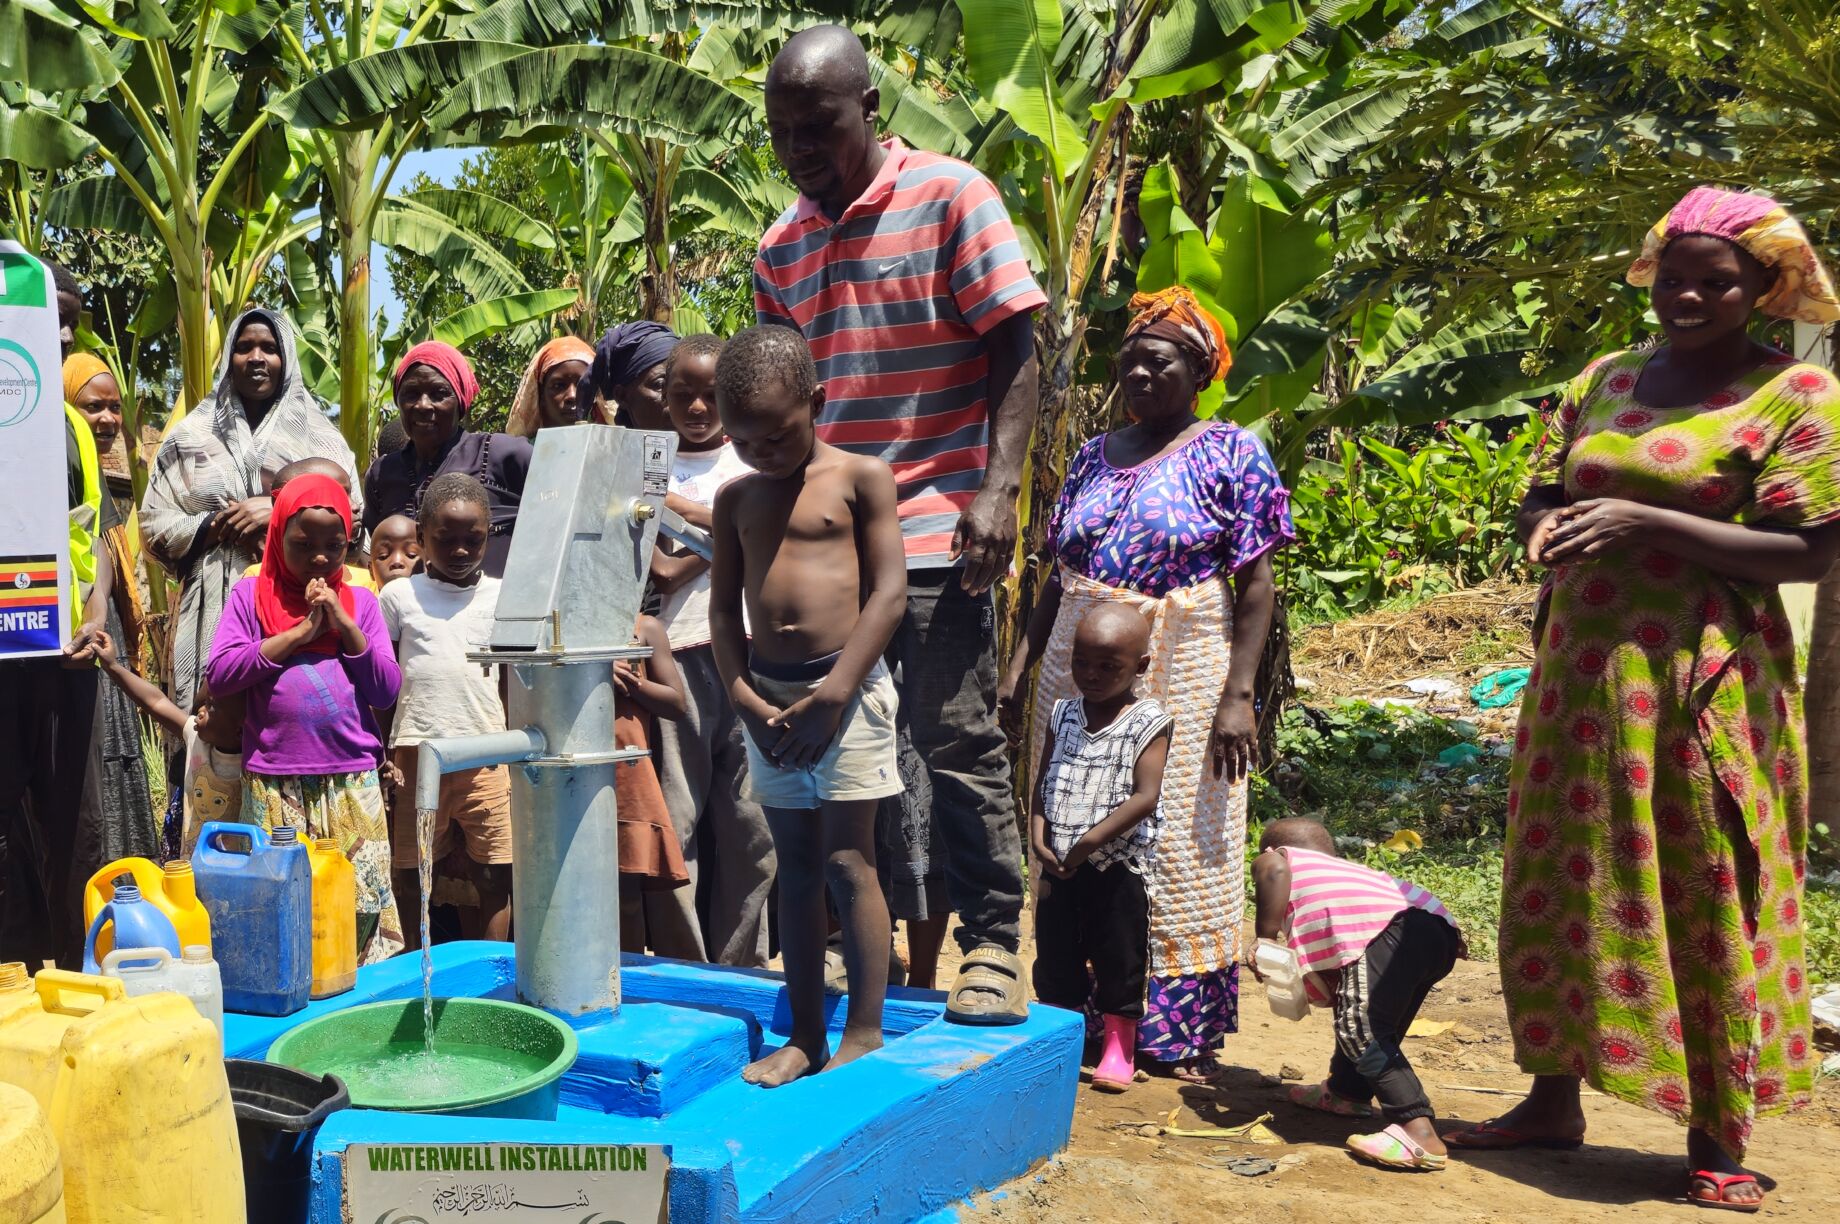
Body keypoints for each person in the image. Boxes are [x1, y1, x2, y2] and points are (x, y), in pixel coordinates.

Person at [1443, 187, 1840, 1212]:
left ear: (1763, 286)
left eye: (1717, 280)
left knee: (1706, 878)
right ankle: (1549, 1097)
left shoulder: (1792, 391)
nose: (1689, 295)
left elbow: (1810, 550)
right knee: (1561, 873)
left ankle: (1717, 1133)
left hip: (1698, 684)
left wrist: (1643, 526)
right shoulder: (1604, 377)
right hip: (1580, 678)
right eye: (1675, 276)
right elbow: (1545, 489)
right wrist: (1542, 525)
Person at [756, 26, 1046, 1023]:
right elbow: (787, 409)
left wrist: (999, 489)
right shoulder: (778, 247)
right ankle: (857, 950)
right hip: (832, 544)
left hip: (937, 530)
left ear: (870, 111)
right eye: (781, 132)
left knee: (954, 738)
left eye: (819, 126)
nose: (799, 149)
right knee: (838, 751)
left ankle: (996, 948)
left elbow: (1017, 341)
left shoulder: (952, 195)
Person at [1001, 287, 1292, 1082]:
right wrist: (1021, 668)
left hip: (1186, 661)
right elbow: (1055, 578)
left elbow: (1257, 582)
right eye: (1128, 357)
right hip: (1076, 660)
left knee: (1179, 839)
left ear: (1198, 370)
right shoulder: (1096, 454)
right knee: (1070, 818)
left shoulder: (1232, 449)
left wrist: (1239, 694)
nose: (1135, 370)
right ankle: (1076, 1013)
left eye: (1156, 358)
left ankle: (1165, 1027)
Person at [708, 325, 907, 1085]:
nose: (762, 452)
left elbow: (889, 593)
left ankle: (862, 1030)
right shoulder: (735, 499)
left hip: (844, 691)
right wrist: (742, 696)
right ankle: (804, 1036)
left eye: (778, 434)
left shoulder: (860, 478)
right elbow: (726, 613)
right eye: (746, 441)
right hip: (770, 699)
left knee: (847, 858)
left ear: (816, 403)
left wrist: (836, 692)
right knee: (792, 865)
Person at [205, 473, 404, 964]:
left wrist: (344, 627)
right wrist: (297, 634)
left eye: (334, 547)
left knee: (360, 909)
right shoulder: (251, 597)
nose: (320, 557)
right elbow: (222, 671)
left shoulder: (360, 602)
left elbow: (385, 688)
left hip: (351, 781)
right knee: (282, 907)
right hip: (276, 783)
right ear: (277, 538)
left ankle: (364, 1011)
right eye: (303, 544)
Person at [141, 307, 361, 716]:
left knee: (290, 712)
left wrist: (279, 510)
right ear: (228, 358)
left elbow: (355, 519)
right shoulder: (189, 437)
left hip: (299, 603)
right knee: (214, 732)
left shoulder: (323, 440)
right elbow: (153, 525)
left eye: (269, 348)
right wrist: (217, 524)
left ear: (287, 358)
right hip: (213, 600)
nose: (256, 357)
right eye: (244, 347)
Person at [646, 334, 777, 965]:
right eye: (682, 394)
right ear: (662, 397)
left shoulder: (751, 462)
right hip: (669, 660)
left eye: (710, 395)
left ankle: (743, 963)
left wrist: (675, 534)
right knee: (679, 815)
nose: (697, 407)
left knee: (752, 824)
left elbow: (757, 530)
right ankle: (685, 964)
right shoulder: (647, 462)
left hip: (747, 655)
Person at [1, 262, 111, 967]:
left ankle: (65, 972)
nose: (63, 330)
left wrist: (95, 610)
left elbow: (90, 530)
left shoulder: (71, 424)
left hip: (68, 654)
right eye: (49, 314)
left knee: (72, 823)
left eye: (69, 318)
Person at [1252, 818, 1463, 1172]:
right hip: (1436, 929)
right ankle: (1347, 1092)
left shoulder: (1279, 859)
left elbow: (1271, 867)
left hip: (1388, 928)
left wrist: (1264, 937)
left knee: (1360, 1026)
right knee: (1373, 1014)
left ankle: (1418, 1130)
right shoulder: (1344, 875)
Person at [1029, 605, 1172, 1094]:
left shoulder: (1149, 720)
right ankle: (1059, 1039)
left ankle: (1118, 1047)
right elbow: (1045, 777)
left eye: (1108, 666)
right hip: (1059, 862)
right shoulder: (1062, 712)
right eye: (1082, 662)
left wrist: (1089, 843)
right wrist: (1037, 834)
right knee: (1055, 952)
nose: (1091, 675)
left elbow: (1145, 795)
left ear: (1141, 666)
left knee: (1119, 954)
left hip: (1117, 865)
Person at [377, 474, 514, 942]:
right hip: (418, 752)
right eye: (445, 539)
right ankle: (418, 966)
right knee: (414, 873)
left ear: (488, 533)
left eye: (471, 540)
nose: (459, 550)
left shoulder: (501, 595)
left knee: (495, 872)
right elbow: (384, 681)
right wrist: (384, 750)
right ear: (421, 538)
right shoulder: (398, 596)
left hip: (486, 752)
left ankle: (492, 969)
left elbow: (513, 679)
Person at [61, 355, 158, 874]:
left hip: (101, 635)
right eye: (91, 406)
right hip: (67, 636)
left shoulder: (106, 486)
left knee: (116, 759)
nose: (106, 419)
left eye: (114, 407)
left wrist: (99, 611)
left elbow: (101, 556)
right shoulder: (62, 477)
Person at [361, 342, 533, 579]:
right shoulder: (382, 474)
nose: (423, 405)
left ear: (460, 400)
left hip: (495, 611)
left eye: (439, 394)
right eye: (411, 394)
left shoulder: (503, 455)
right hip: (409, 614)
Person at [86, 629, 244, 858]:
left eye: (211, 707)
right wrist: (113, 667)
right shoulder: (197, 738)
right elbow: (156, 701)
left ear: (239, 730)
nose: (200, 711)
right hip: (192, 873)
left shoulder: (253, 764)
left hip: (237, 878)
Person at [614, 613, 692, 953]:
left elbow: (676, 703)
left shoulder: (644, 628)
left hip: (627, 776)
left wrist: (631, 680)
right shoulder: (553, 624)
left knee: (627, 893)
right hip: (567, 775)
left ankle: (627, 983)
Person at [244, 459, 377, 591]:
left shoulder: (367, 586)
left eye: (334, 546)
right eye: (337, 494)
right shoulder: (255, 584)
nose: (355, 506)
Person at [578, 321, 679, 431]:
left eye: (683, 385)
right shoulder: (607, 447)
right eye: (660, 385)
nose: (678, 397)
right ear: (621, 396)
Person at [505, 336, 597, 437]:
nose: (572, 396)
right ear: (541, 395)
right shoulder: (526, 452)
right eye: (558, 386)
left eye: (582, 385)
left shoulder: (610, 449)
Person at [369, 514, 420, 588]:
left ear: (428, 565)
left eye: (411, 555)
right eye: (383, 556)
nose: (397, 562)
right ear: (371, 571)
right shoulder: (358, 599)